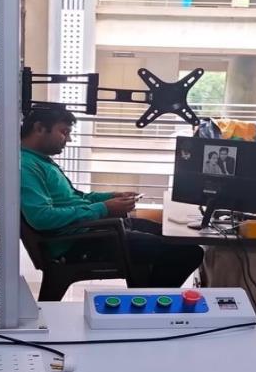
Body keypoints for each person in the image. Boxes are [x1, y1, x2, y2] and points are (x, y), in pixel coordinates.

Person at [20, 107, 203, 287]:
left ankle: (145, 293)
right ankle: (149, 302)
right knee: (188, 253)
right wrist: (104, 208)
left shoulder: (40, 160)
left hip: (90, 231)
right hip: (75, 243)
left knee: (172, 237)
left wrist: (111, 197)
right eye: (64, 132)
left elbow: (75, 198)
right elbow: (41, 217)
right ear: (39, 128)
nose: (68, 139)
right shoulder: (26, 166)